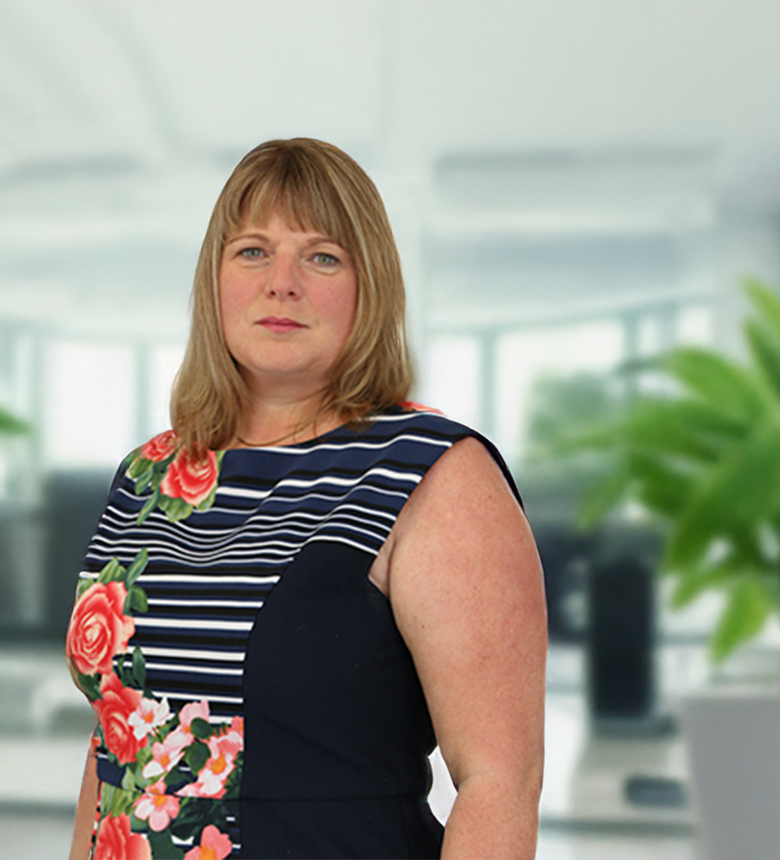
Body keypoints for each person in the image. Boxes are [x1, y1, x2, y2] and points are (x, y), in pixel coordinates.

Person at [66, 138, 546, 860]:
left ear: (368, 286)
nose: (280, 282)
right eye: (252, 251)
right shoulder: (145, 477)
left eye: (321, 256)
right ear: (215, 280)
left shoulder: (435, 473)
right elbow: (114, 745)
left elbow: (498, 782)